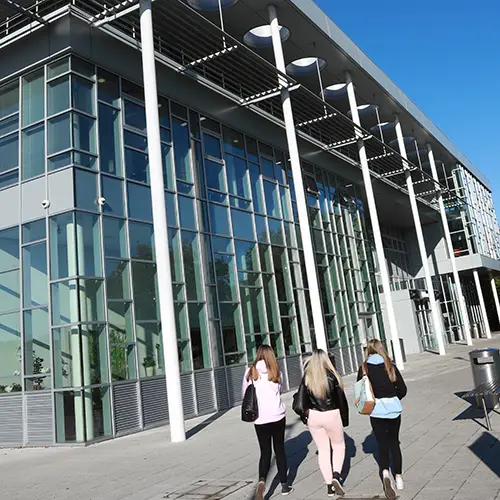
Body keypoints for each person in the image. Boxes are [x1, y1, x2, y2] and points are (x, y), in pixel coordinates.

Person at [293, 349, 349, 498]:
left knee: (323, 450)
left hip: (314, 416)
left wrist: (305, 419)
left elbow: (301, 401)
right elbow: (341, 401)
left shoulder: (307, 377)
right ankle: (336, 475)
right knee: (338, 446)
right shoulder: (332, 376)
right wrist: (344, 419)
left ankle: (329, 486)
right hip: (332, 414)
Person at [357, 340, 407, 500]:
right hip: (393, 409)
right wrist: (393, 398)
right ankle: (398, 477)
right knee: (394, 442)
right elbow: (403, 389)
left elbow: (361, 390)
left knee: (382, 444)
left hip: (376, 410)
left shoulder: (364, 368)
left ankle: (385, 472)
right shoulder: (390, 366)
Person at [242, 345, 293, 499]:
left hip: (260, 418)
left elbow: (245, 393)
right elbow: (280, 390)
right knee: (280, 451)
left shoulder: (250, 372)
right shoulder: (277, 372)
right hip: (277, 416)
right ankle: (284, 485)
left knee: (265, 452)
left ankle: (262, 481)